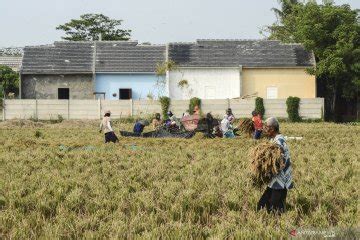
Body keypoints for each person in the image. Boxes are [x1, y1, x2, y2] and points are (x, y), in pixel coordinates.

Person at [257, 117, 293, 214]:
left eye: (266, 127)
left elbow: (277, 159)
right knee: (264, 204)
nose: (264, 129)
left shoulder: (279, 141)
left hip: (280, 179)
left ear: (272, 129)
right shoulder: (274, 139)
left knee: (274, 206)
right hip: (275, 178)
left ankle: (278, 222)